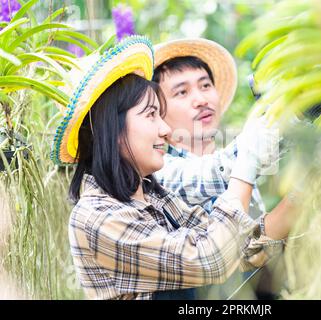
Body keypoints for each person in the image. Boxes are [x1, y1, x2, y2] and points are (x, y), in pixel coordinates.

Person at [51, 36, 292, 300]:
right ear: (112, 128)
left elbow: (238, 245)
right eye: (152, 114)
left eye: (205, 86)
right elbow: (209, 259)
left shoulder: (153, 195)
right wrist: (247, 159)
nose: (165, 130)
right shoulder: (98, 216)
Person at [152, 38, 295, 299]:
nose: (200, 99)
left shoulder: (232, 161)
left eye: (205, 85)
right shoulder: (159, 173)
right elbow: (207, 174)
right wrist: (274, 124)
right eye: (181, 92)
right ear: (156, 115)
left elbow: (253, 250)